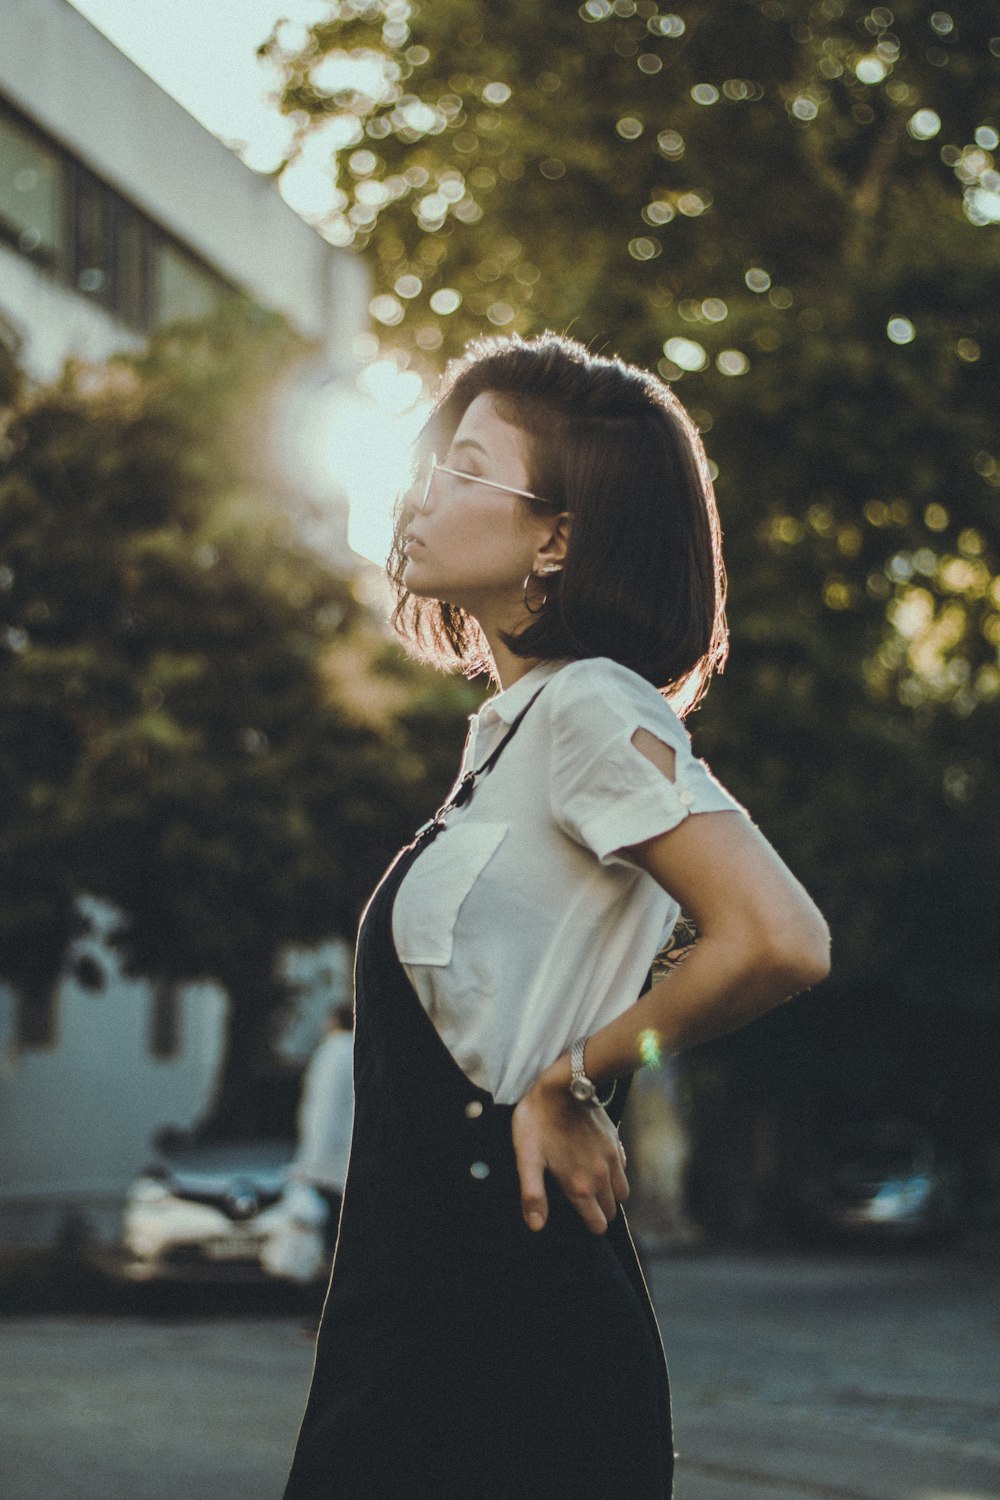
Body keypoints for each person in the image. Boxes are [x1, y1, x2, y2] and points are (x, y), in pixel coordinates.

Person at [282, 332, 830, 1499]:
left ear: (558, 534)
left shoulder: (587, 704)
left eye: (461, 466)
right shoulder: (511, 735)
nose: (417, 492)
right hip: (417, 1314)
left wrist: (571, 1076)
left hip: (510, 1339)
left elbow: (779, 937)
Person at [288, 1002, 355, 1257]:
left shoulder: (334, 1051)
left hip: (328, 1167)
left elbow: (322, 1113)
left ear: (334, 1021)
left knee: (329, 1244)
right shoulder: (359, 1049)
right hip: (347, 1163)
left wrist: (308, 1164)